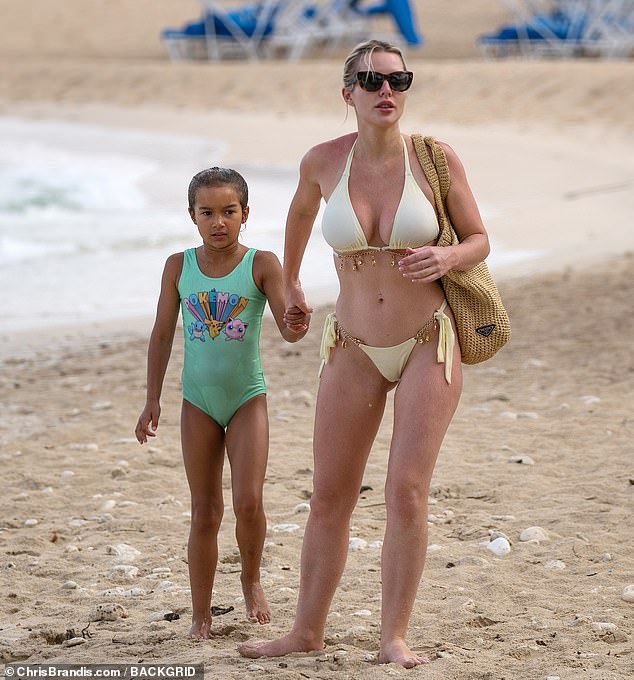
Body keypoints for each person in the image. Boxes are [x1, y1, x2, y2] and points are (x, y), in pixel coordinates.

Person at [239, 39, 490, 667]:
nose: (387, 92)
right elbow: (298, 215)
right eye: (372, 81)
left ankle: (393, 638)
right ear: (346, 91)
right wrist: (291, 284)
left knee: (405, 489)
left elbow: (480, 238)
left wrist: (449, 254)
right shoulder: (323, 162)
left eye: (399, 81)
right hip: (350, 345)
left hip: (426, 342)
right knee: (330, 494)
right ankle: (306, 630)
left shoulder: (434, 158)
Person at [135, 167, 309, 640]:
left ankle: (251, 580)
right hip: (197, 403)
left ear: (245, 214)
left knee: (249, 502)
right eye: (207, 212)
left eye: (228, 212)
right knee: (205, 511)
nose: (218, 222)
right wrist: (152, 398)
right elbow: (163, 333)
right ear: (191, 216)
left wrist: (299, 318)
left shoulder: (261, 264)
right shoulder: (178, 266)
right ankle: (201, 615)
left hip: (246, 398)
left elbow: (290, 331)